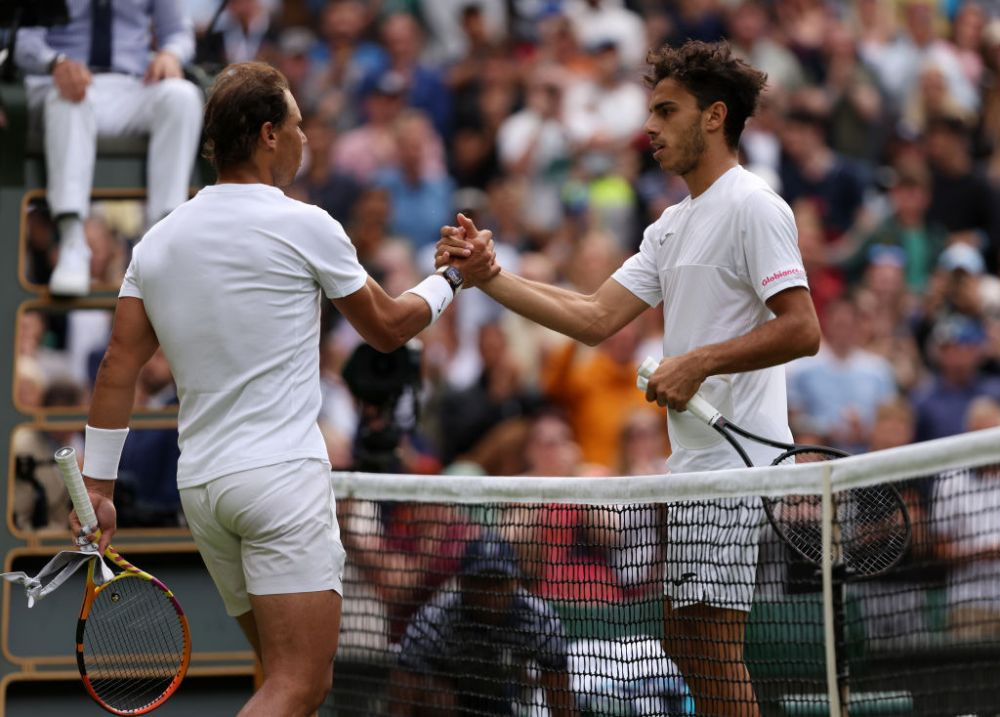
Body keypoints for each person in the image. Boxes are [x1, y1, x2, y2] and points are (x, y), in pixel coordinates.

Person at [70, 62, 475, 717]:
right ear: (266, 135)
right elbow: (388, 328)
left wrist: (98, 487)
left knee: (278, 678)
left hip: (204, 490)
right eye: (296, 126)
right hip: (279, 484)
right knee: (299, 684)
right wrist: (453, 279)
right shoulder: (307, 224)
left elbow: (118, 366)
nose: (304, 139)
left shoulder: (157, 243)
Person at [437, 40, 822, 717]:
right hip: (695, 462)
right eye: (650, 110)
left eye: (666, 110)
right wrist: (489, 278)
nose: (649, 126)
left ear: (714, 116)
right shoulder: (671, 226)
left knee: (711, 642)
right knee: (685, 636)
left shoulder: (755, 205)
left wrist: (698, 361)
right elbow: (592, 316)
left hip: (739, 459)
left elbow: (802, 327)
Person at [14, 0, 204, 296]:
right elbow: (24, 41)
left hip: (131, 84)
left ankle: (160, 245)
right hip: (57, 83)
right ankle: (72, 241)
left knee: (182, 97)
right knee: (69, 101)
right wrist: (56, 63)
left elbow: (178, 32)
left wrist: (170, 54)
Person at [389, 533, 577, 716]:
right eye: (481, 581)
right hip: (451, 695)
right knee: (439, 700)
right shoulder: (434, 620)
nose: (491, 593)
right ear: (463, 582)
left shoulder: (540, 621)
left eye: (498, 582)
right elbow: (401, 702)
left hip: (501, 697)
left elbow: (562, 706)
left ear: (515, 583)